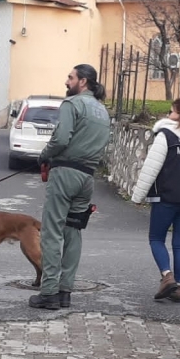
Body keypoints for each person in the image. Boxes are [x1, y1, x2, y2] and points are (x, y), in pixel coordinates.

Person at [29, 64, 111, 310]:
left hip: (65, 172)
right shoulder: (103, 112)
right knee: (73, 232)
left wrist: (43, 155)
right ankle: (65, 291)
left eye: (70, 77)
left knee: (52, 232)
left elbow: (61, 139)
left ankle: (49, 292)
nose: (67, 81)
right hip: (87, 177)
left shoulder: (72, 105)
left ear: (83, 81)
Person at [130, 98, 180, 303]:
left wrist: (138, 196)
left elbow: (151, 168)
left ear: (179, 115)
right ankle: (179, 287)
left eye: (171, 112)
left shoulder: (165, 135)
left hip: (166, 195)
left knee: (156, 238)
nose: (168, 115)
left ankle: (167, 277)